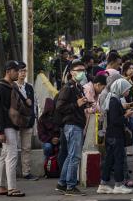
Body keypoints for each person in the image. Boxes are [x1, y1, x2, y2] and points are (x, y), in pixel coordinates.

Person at [54, 60, 89, 196]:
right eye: (79, 70)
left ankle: (62, 183)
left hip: (76, 124)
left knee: (71, 156)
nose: (82, 73)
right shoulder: (68, 87)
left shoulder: (76, 87)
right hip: (72, 125)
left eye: (83, 70)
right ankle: (70, 186)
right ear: (71, 73)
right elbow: (60, 107)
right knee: (75, 157)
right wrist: (76, 104)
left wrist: (84, 104)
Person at [97, 78, 133, 195]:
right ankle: (118, 184)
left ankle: (103, 184)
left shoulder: (113, 99)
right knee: (118, 160)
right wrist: (126, 115)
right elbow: (115, 120)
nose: (127, 92)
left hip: (111, 134)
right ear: (120, 88)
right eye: (127, 90)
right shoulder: (114, 100)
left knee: (109, 159)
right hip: (115, 135)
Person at [0, 61, 26, 197]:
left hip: (13, 125)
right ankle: (12, 188)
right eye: (16, 71)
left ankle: (0, 186)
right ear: (8, 71)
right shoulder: (0, 87)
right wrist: (0, 131)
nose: (18, 74)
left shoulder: (12, 86)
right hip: (7, 126)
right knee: (11, 156)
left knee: (5, 155)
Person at [16, 62, 38, 180]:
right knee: (12, 148)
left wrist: (34, 119)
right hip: (14, 122)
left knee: (26, 148)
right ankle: (10, 173)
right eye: (20, 71)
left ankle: (26, 172)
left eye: (24, 71)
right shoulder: (12, 86)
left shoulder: (29, 87)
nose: (23, 73)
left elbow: (34, 104)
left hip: (27, 121)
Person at [121, 62, 133, 156]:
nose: (132, 70)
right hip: (126, 108)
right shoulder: (123, 80)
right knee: (132, 128)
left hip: (132, 107)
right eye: (129, 68)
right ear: (125, 70)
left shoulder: (131, 81)